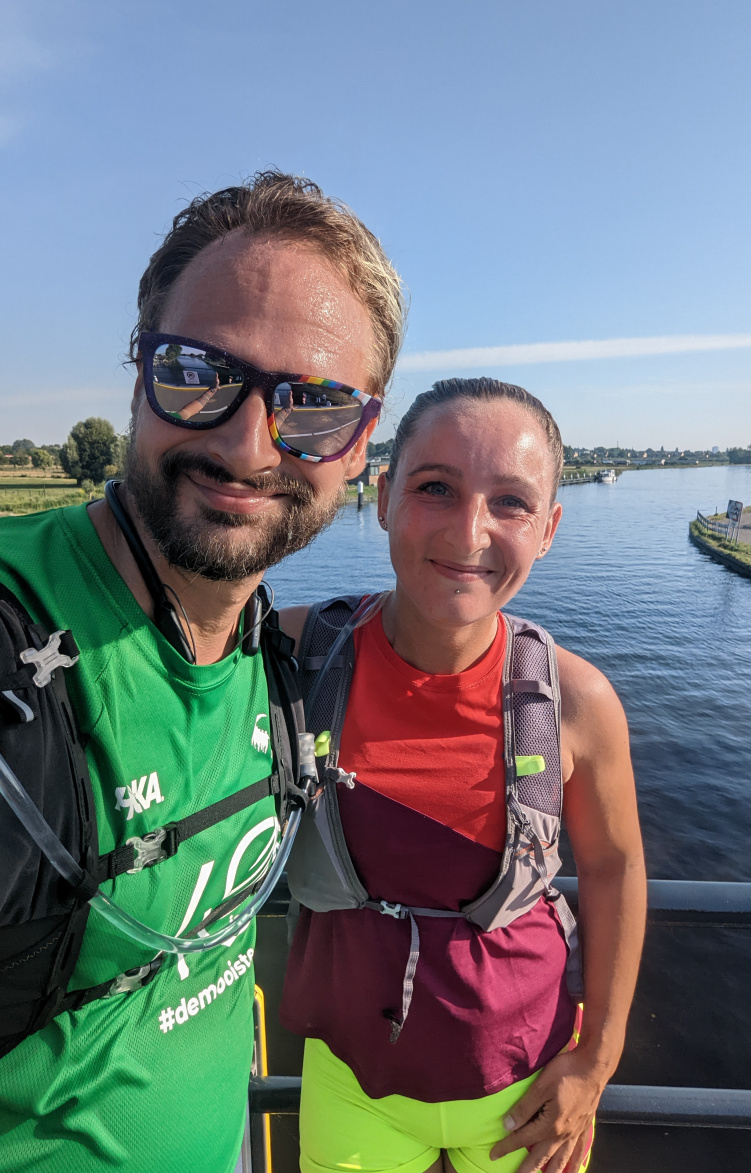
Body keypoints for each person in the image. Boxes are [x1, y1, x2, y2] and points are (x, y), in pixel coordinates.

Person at [0, 172, 404, 1172]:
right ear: (138, 372)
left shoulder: (270, 646)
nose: (245, 442)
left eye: (312, 404)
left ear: (359, 442)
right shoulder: (22, 646)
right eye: (197, 372)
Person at [280, 378, 647, 1173]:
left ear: (548, 528)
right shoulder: (298, 658)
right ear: (381, 498)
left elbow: (615, 867)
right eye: (435, 487)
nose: (468, 530)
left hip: (526, 1086)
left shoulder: (575, 702)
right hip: (352, 1078)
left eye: (510, 502)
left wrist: (599, 1058)